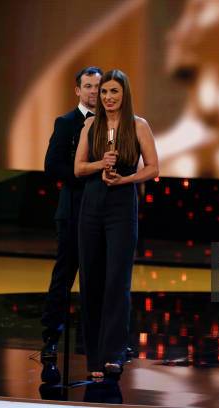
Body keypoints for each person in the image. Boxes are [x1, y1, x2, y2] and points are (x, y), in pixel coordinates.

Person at [74, 69, 159, 378]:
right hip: (92, 205)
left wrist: (126, 178)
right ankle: (94, 356)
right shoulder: (89, 126)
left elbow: (153, 168)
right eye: (104, 92)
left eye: (114, 92)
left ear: (124, 95)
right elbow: (78, 168)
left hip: (122, 205)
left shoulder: (138, 126)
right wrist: (101, 165)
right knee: (92, 279)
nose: (108, 98)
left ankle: (114, 354)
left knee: (116, 281)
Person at [41, 66, 102, 368]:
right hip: (73, 212)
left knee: (100, 279)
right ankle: (51, 337)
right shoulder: (66, 123)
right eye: (88, 86)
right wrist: (87, 176)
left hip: (102, 213)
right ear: (78, 90)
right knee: (64, 278)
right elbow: (52, 166)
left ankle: (102, 342)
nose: (93, 92)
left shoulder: (111, 123)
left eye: (98, 87)